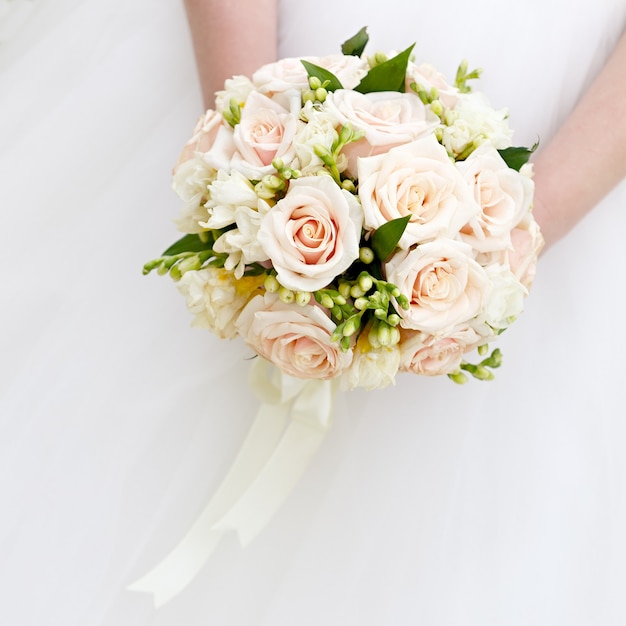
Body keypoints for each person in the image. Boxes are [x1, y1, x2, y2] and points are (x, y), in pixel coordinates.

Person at [1, 1, 625, 625]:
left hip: (572, 137)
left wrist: (502, 237)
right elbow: (249, 137)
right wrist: (255, 157)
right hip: (259, 45)